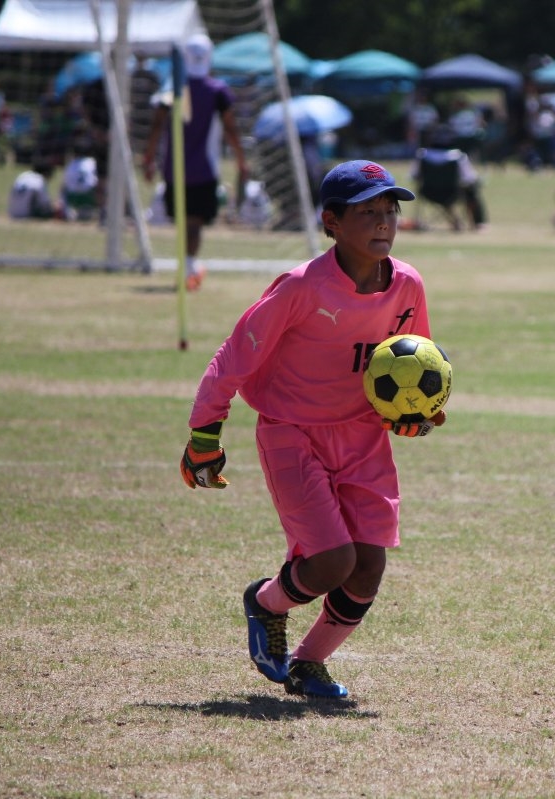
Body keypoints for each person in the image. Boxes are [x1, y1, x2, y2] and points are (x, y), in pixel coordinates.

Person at [178, 159, 445, 700]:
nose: (383, 222)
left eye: (390, 210)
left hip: (363, 437)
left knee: (367, 567)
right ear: (331, 222)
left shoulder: (408, 285)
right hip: (293, 433)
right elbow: (234, 356)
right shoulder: (301, 287)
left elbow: (414, 360)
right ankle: (266, 602)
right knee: (331, 563)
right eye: (367, 211)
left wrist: (412, 414)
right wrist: (205, 432)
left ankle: (309, 664)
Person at [143, 33, 248, 291]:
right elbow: (231, 128)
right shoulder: (217, 91)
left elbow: (156, 124)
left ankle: (188, 267)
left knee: (184, 222)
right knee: (195, 223)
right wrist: (240, 159)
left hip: (174, 169)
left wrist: (148, 158)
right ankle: (189, 266)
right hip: (204, 169)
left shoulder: (172, 89)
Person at [412, 124, 487, 230]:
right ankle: (478, 224)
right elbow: (470, 178)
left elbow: (414, 176)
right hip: (452, 193)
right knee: (471, 191)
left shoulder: (422, 155)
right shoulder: (458, 156)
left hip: (428, 193)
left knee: (444, 193)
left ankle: (456, 222)